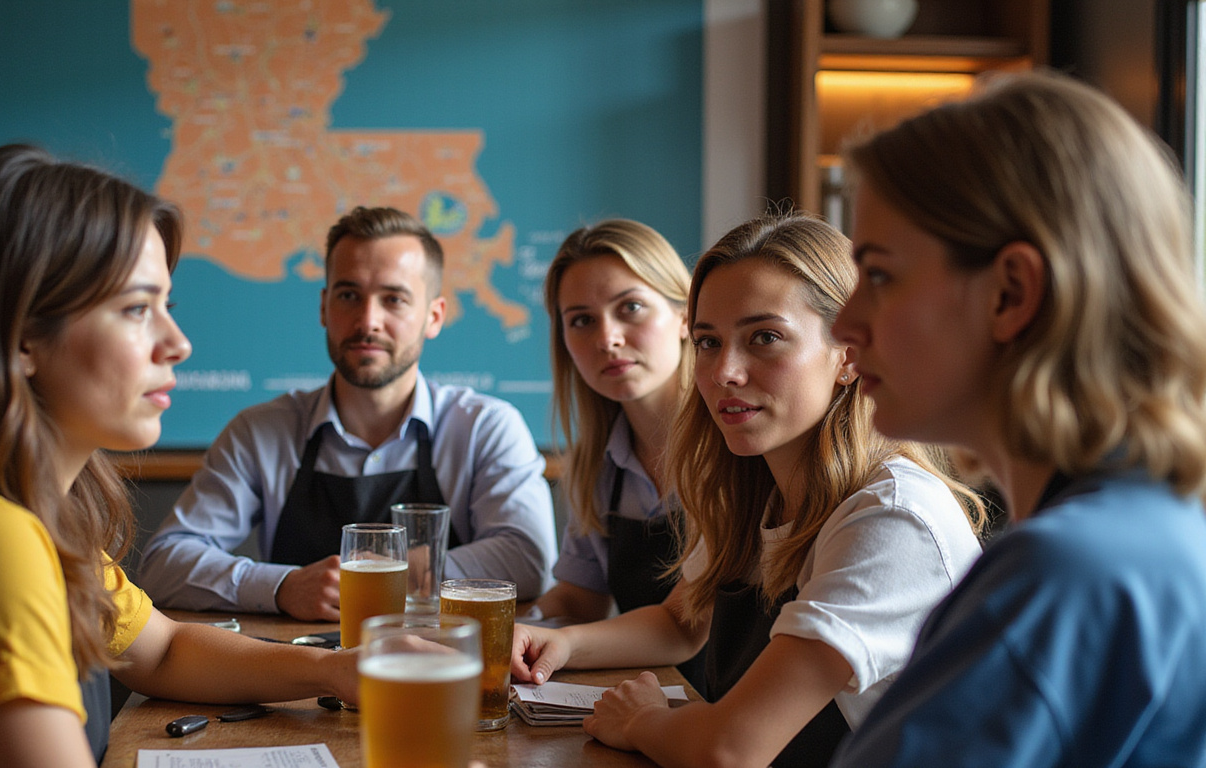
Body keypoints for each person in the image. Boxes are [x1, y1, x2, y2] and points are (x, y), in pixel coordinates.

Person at [0, 144, 357, 768]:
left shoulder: (22, 508)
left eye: (166, 308)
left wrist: (342, 671)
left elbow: (163, 651)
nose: (178, 343)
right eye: (135, 309)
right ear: (19, 339)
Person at [827, 72, 1206, 767]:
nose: (845, 325)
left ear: (1011, 292)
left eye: (878, 275)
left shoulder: (1061, 576)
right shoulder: (1160, 529)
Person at [511, 212, 984, 768]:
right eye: (709, 341)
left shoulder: (892, 518)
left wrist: (644, 722)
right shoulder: (756, 493)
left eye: (765, 338)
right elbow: (680, 621)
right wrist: (564, 643)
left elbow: (729, 750)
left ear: (849, 355)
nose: (723, 372)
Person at [138, 206, 557, 621]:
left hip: (441, 664)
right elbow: (163, 563)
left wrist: (384, 577)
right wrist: (281, 587)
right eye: (348, 295)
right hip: (296, 670)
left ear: (434, 316)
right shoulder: (260, 432)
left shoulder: (486, 427)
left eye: (394, 299)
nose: (368, 320)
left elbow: (528, 558)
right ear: (324, 307)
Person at [530, 219, 706, 690]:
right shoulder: (597, 465)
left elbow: (685, 624)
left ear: (686, 316)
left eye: (630, 308)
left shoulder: (733, 446)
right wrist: (501, 626)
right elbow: (580, 601)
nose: (607, 338)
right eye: (582, 320)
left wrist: (561, 641)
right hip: (653, 703)